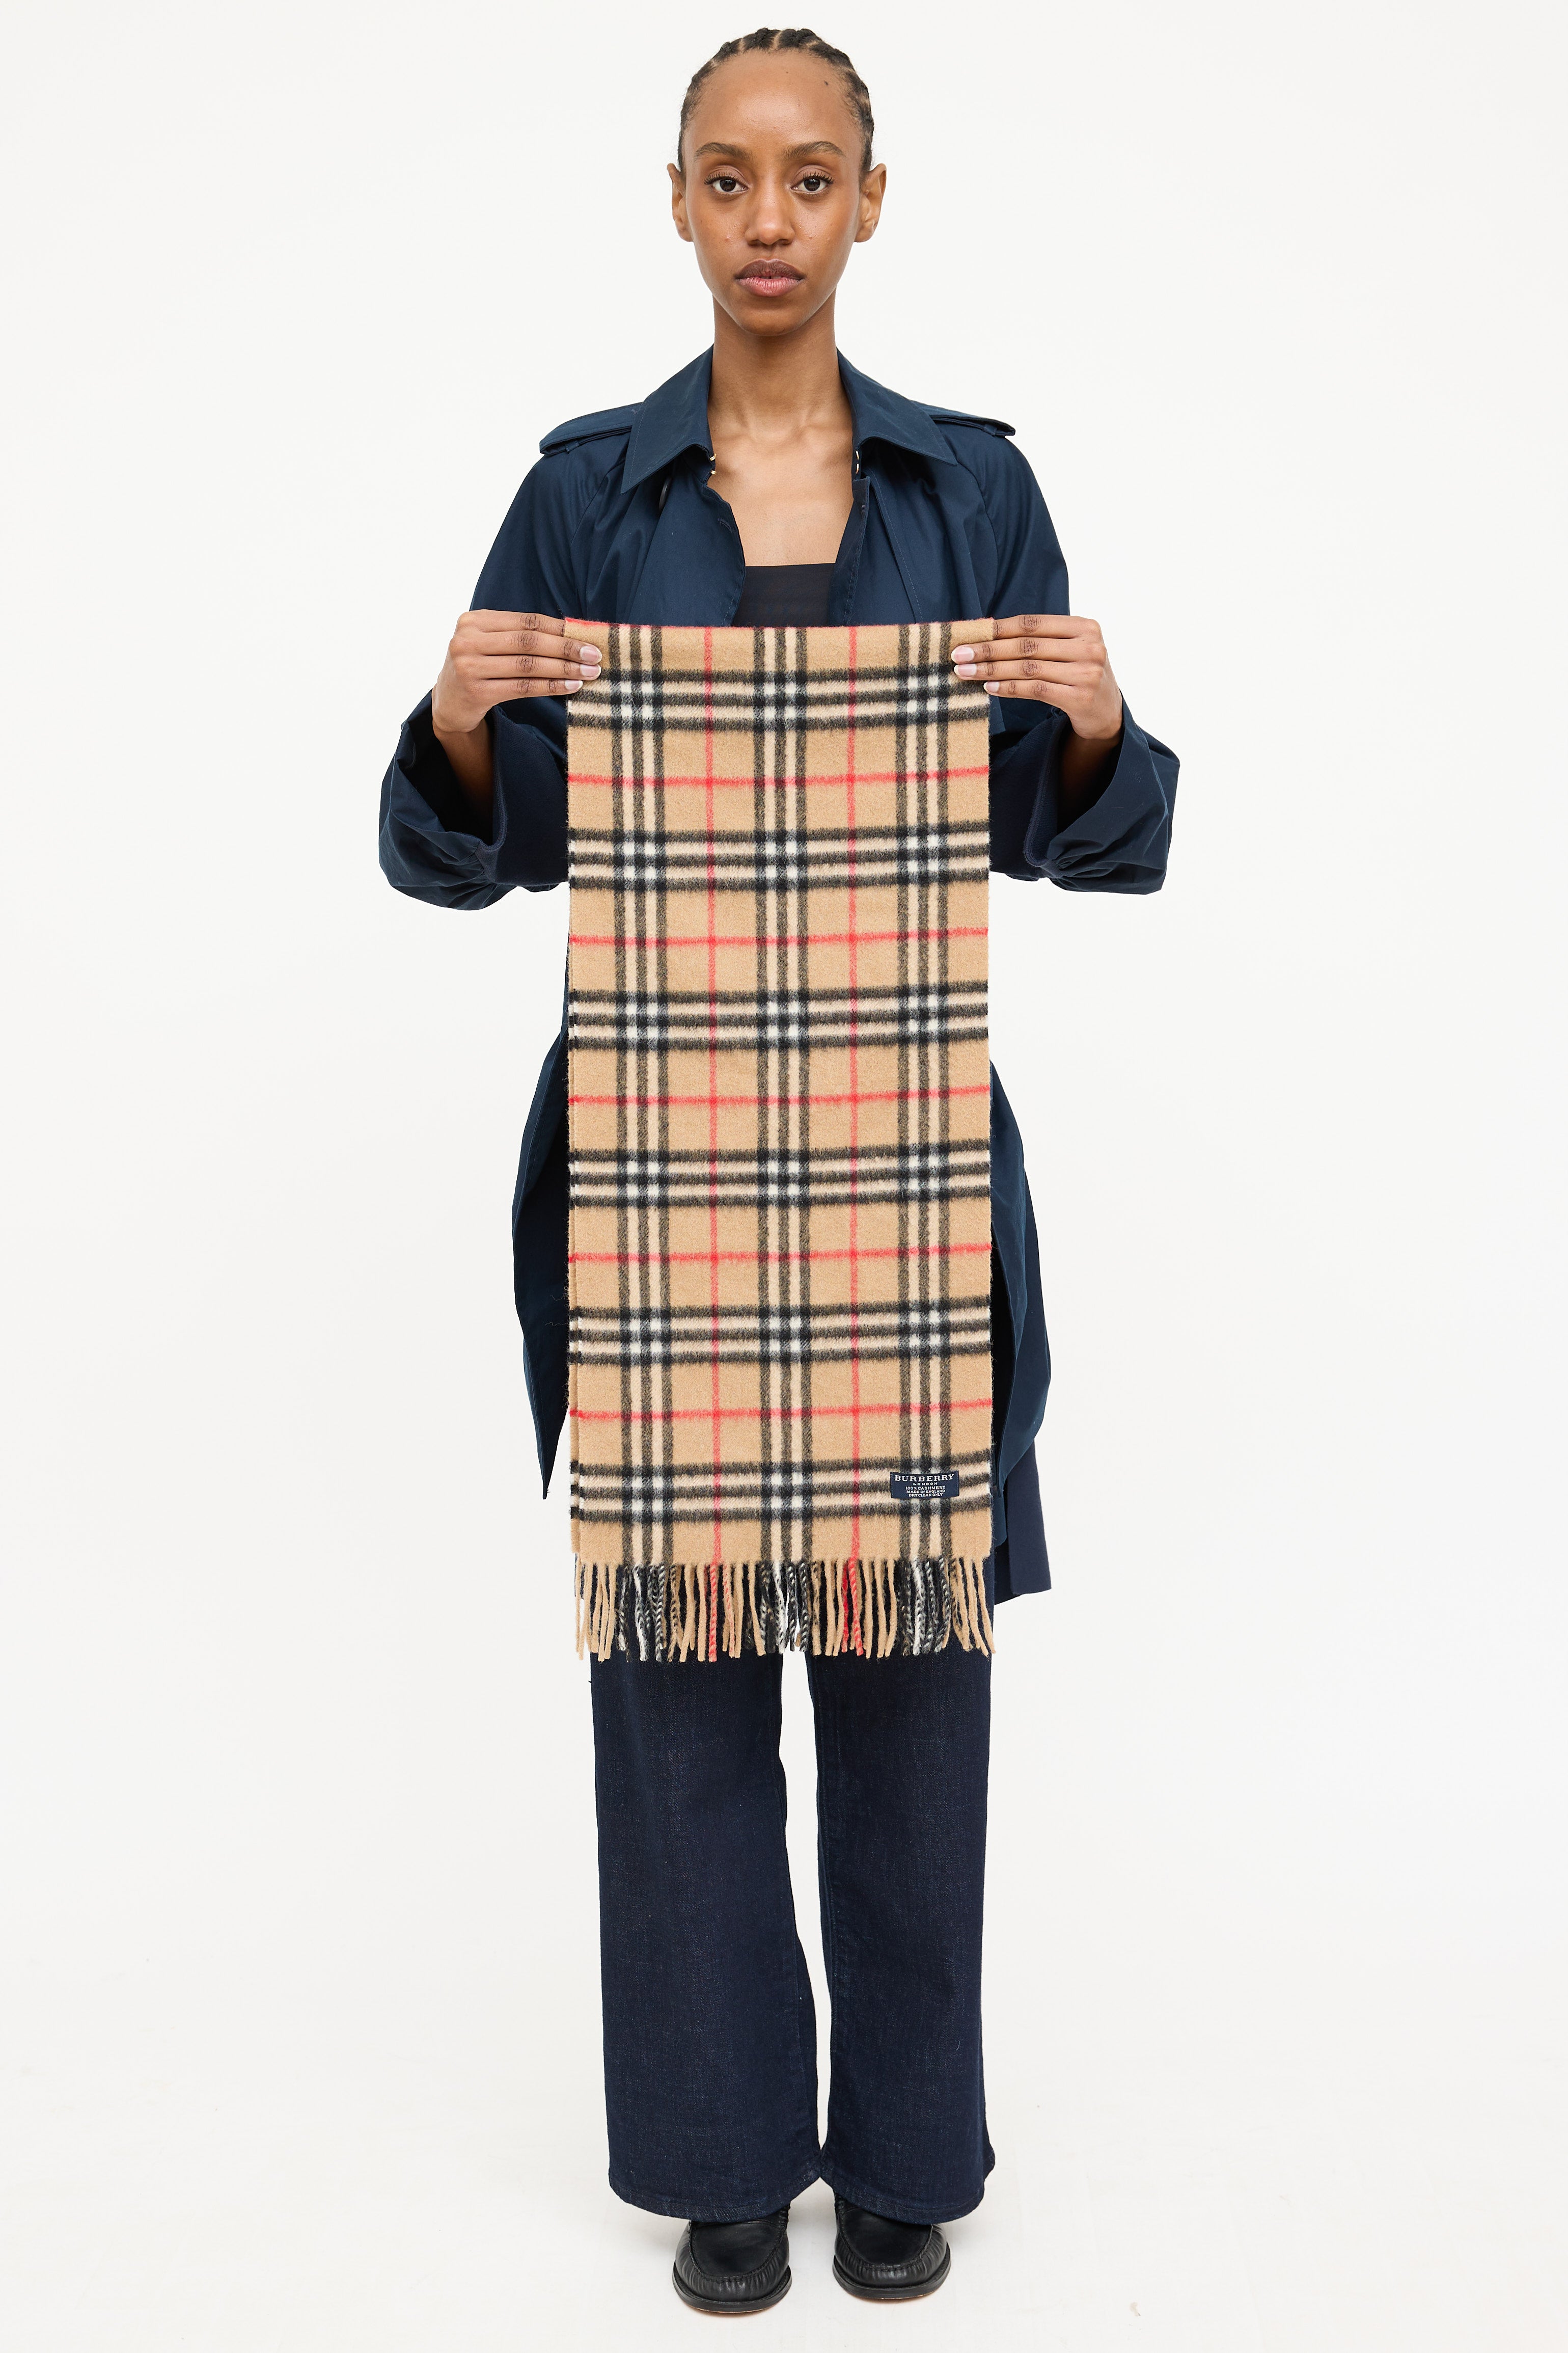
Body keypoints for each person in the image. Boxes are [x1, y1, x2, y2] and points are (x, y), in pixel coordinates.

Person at [379, 24, 1177, 2314]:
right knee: (681, 1680)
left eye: (808, 176)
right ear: (674, 201)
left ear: (869, 203)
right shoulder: (587, 496)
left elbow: (1062, 834)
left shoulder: (970, 489)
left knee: (916, 1671)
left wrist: (1102, 732)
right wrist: (454, 729)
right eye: (726, 177)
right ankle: (725, 2159)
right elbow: (481, 850)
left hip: (906, 1158)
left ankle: (906, 2153)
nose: (767, 219)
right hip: (655, 1158)